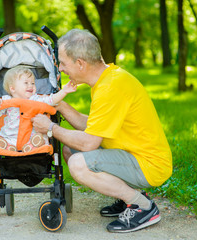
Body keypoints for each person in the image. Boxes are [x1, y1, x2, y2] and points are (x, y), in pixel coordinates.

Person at [31, 29, 172, 233]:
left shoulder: (110, 87)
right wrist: (59, 105)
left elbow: (89, 142)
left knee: (79, 164)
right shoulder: (108, 78)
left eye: (63, 63)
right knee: (70, 150)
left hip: (149, 164)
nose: (60, 69)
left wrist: (50, 128)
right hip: (133, 154)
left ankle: (142, 206)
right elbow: (95, 125)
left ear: (80, 63)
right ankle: (127, 197)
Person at [0, 65, 76, 152]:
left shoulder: (35, 99)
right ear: (12, 88)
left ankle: (31, 146)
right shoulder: (6, 101)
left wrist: (64, 91)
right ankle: (8, 147)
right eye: (26, 83)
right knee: (1, 141)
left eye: (33, 83)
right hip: (11, 137)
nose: (30, 86)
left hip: (31, 137)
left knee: (39, 139)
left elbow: (51, 100)